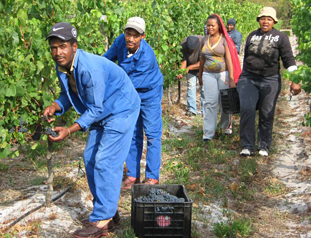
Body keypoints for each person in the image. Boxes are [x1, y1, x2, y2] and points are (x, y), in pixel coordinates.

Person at [43, 22, 140, 237]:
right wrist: (56, 106)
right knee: (90, 159)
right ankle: (108, 212)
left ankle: (101, 221)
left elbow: (95, 108)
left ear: (74, 46)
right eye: (53, 47)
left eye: (63, 46)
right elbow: (70, 95)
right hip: (102, 109)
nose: (58, 52)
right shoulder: (63, 67)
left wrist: (69, 130)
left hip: (120, 109)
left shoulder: (89, 68)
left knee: (106, 160)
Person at [103, 17, 163, 188]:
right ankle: (132, 174)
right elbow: (106, 60)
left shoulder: (146, 57)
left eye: (135, 36)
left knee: (152, 134)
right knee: (132, 132)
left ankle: (152, 176)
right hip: (130, 91)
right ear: (124, 33)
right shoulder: (120, 42)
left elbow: (127, 84)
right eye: (128, 34)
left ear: (142, 37)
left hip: (148, 93)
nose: (130, 39)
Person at [238, 7, 301, 157]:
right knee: (247, 109)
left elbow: (289, 60)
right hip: (249, 78)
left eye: (269, 19)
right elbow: (246, 58)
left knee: (267, 112)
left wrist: (295, 80)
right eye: (262, 18)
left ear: (274, 21)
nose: (265, 21)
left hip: (270, 79)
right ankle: (247, 145)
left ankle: (264, 145)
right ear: (258, 20)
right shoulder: (252, 35)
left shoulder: (281, 37)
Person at [198, 14, 237, 142]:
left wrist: (231, 78)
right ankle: (208, 133)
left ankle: (225, 127)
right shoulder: (204, 40)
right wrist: (200, 75)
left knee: (225, 102)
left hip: (223, 74)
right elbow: (202, 59)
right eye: (208, 25)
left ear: (218, 26)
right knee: (210, 102)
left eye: (212, 25)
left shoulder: (224, 40)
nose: (209, 28)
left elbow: (229, 60)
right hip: (208, 74)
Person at [177, 35, 204, 116]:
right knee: (191, 86)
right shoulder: (183, 45)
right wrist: (181, 71)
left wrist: (189, 67)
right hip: (190, 69)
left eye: (192, 50)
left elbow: (202, 62)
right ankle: (192, 109)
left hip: (203, 68)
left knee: (204, 88)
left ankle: (205, 110)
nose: (190, 51)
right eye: (189, 49)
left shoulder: (203, 43)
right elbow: (183, 60)